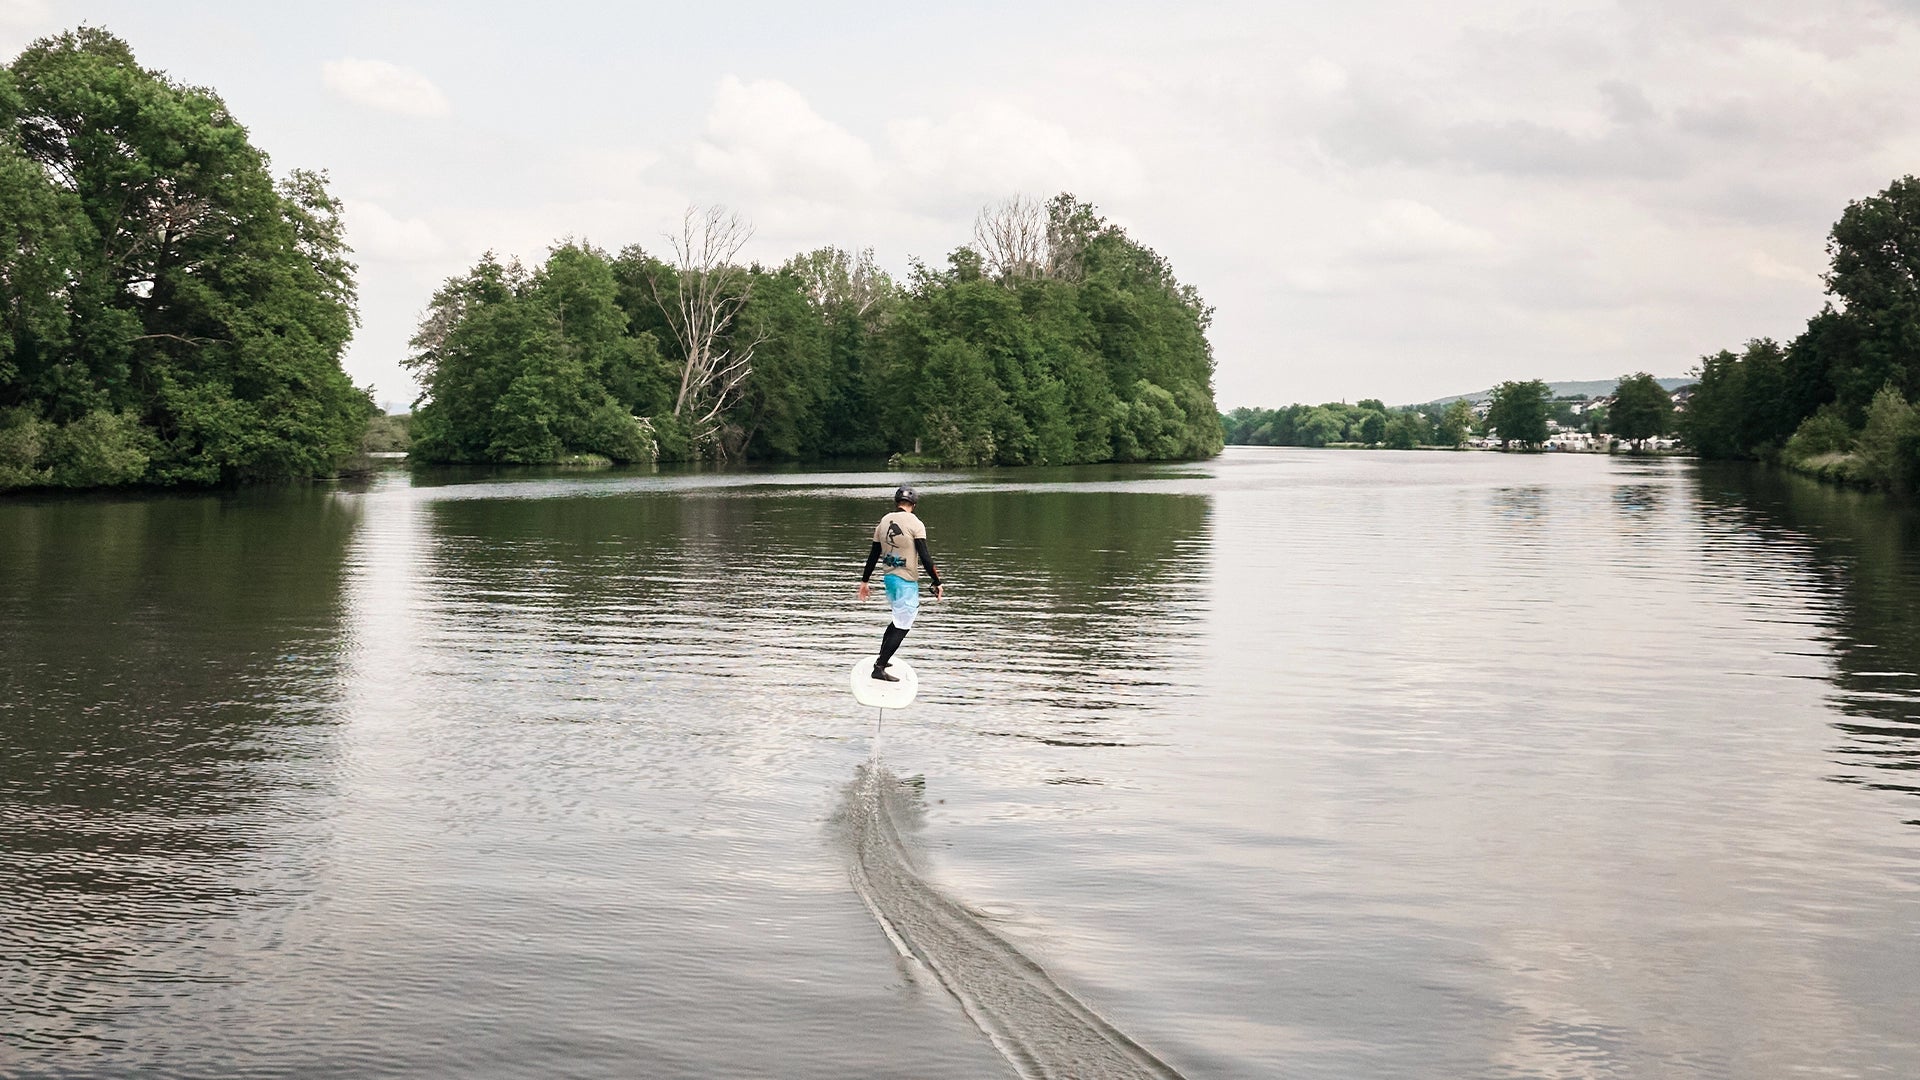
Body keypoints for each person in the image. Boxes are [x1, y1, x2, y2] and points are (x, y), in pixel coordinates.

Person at [857, 486, 943, 682]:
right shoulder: (916, 523)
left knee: (897, 619)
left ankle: (882, 658)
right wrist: (937, 581)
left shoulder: (884, 521)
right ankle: (879, 668)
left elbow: (873, 554)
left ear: (897, 503)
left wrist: (864, 581)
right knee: (904, 625)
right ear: (913, 505)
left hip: (889, 580)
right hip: (906, 581)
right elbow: (925, 556)